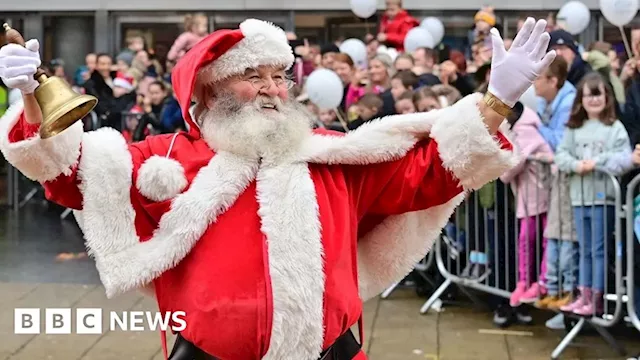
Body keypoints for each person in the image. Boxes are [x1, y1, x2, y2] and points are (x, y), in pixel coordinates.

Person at [0, 18, 555, 360]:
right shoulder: (166, 157)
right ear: (211, 89)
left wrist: (494, 101)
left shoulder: (329, 153)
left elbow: (426, 175)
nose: (272, 89)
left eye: (278, 76)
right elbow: (74, 177)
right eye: (254, 76)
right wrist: (30, 100)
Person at [555, 72, 631, 316]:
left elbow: (624, 158)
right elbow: (561, 155)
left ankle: (596, 298)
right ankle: (583, 295)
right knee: (585, 249)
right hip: (579, 198)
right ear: (581, 99)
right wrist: (577, 166)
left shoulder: (615, 127)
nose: (595, 100)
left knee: (598, 250)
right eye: (590, 95)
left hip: (603, 198)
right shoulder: (574, 128)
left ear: (607, 98)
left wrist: (596, 163)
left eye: (599, 95)